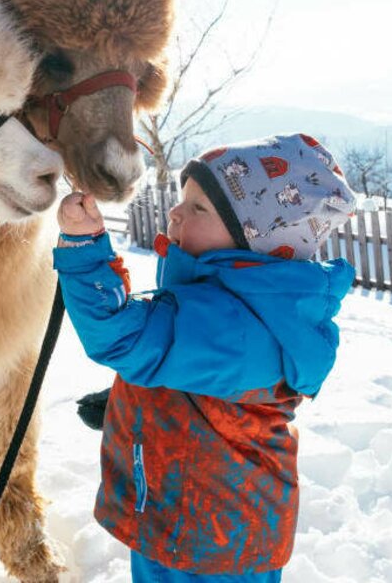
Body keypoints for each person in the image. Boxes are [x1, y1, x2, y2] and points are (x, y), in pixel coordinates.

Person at [53, 133, 357, 582]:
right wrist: (138, 404)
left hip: (207, 543)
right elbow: (190, 373)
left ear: (255, 242)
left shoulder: (236, 326)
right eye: (183, 199)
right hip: (196, 525)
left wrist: (84, 247)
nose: (176, 212)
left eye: (199, 208)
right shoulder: (235, 305)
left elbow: (121, 335)